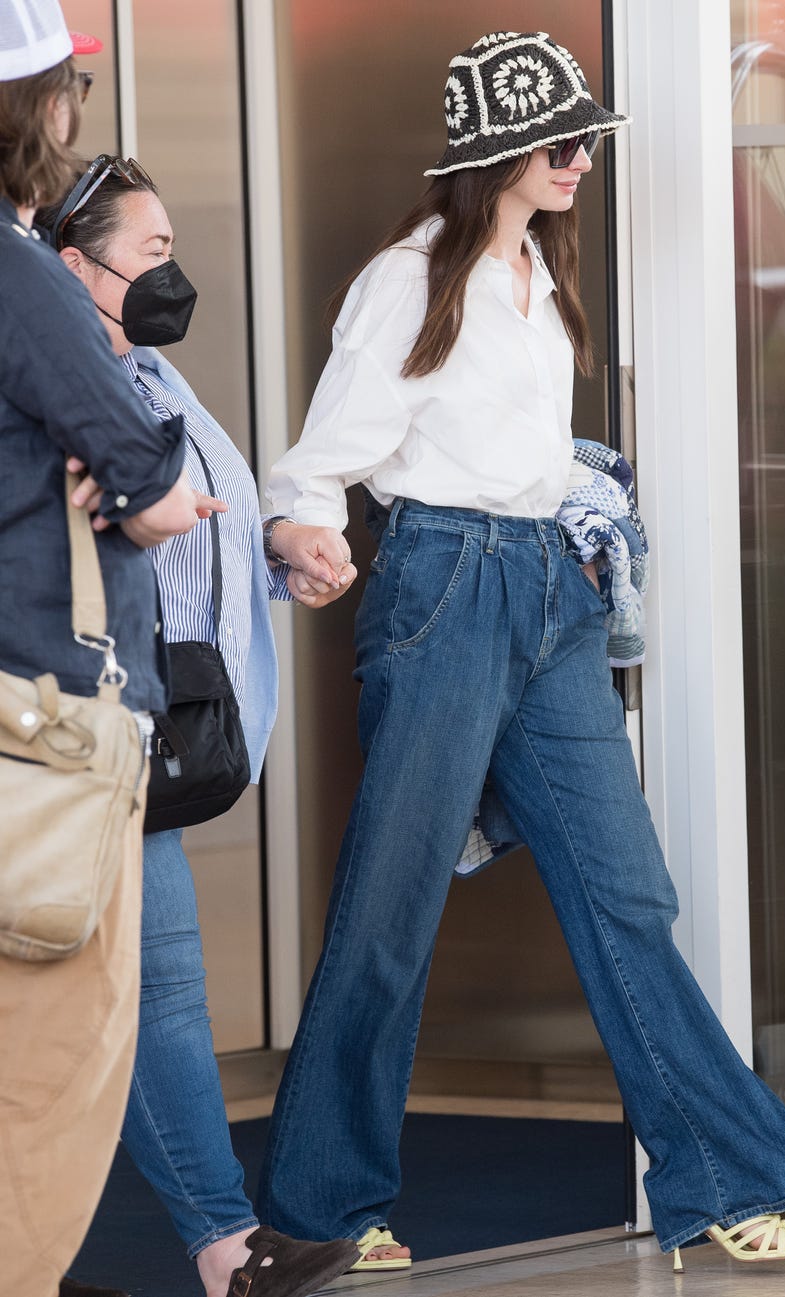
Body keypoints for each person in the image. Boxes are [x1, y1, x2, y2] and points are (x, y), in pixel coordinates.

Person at [256, 31, 785, 1270]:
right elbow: (325, 450)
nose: (579, 159)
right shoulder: (412, 279)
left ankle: (719, 1176)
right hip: (442, 583)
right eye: (559, 140)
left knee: (626, 891)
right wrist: (298, 524)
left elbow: (521, 443)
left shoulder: (537, 269)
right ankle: (323, 1208)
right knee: (389, 909)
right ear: (492, 153)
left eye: (585, 139)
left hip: (545, 592)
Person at [42, 157, 363, 1297]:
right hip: (63, 730)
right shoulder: (56, 374)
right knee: (110, 993)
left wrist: (278, 548)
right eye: (153, 253)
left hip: (132, 731)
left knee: (161, 988)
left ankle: (224, 1249)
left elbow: (194, 524)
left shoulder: (152, 374)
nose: (173, 275)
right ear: (73, 268)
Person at [0, 6, 222, 1297]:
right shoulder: (22, 275)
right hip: (34, 721)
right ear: (40, 106)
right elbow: (142, 468)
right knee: (46, 1067)